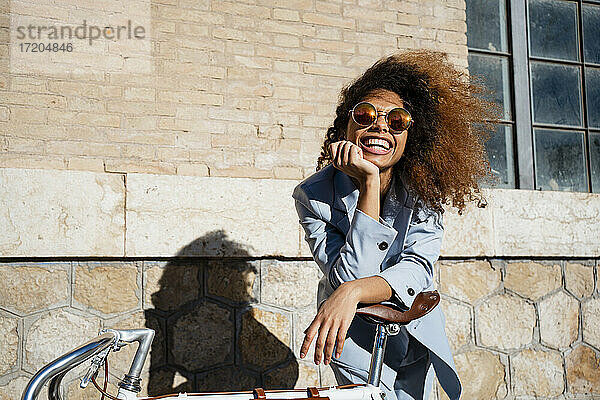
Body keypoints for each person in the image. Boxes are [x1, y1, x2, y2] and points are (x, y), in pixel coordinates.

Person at [292, 50, 497, 400]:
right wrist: (369, 183)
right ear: (346, 126)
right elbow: (349, 275)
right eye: (366, 114)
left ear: (410, 136)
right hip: (353, 335)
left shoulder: (424, 187)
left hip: (414, 325)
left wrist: (352, 293)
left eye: (397, 120)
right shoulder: (312, 196)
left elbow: (417, 269)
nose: (381, 126)